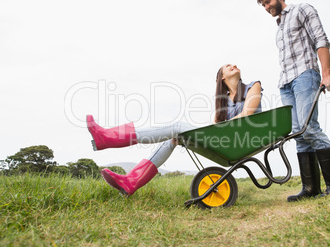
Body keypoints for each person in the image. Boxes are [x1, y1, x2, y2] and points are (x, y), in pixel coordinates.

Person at [86, 64, 262, 197]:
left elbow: (247, 113)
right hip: (226, 141)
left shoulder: (252, 86)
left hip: (240, 140)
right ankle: (131, 181)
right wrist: (188, 138)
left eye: (234, 64)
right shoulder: (222, 103)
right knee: (171, 138)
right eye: (228, 66)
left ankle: (108, 138)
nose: (234, 66)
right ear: (222, 77)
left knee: (177, 126)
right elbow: (215, 128)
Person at [257, 0, 330, 202]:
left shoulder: (302, 10)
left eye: (268, 2)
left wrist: (326, 74)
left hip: (305, 75)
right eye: (263, 5)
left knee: (310, 128)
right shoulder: (279, 29)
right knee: (298, 132)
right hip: (286, 82)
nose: (267, 8)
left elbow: (321, 40)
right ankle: (310, 188)